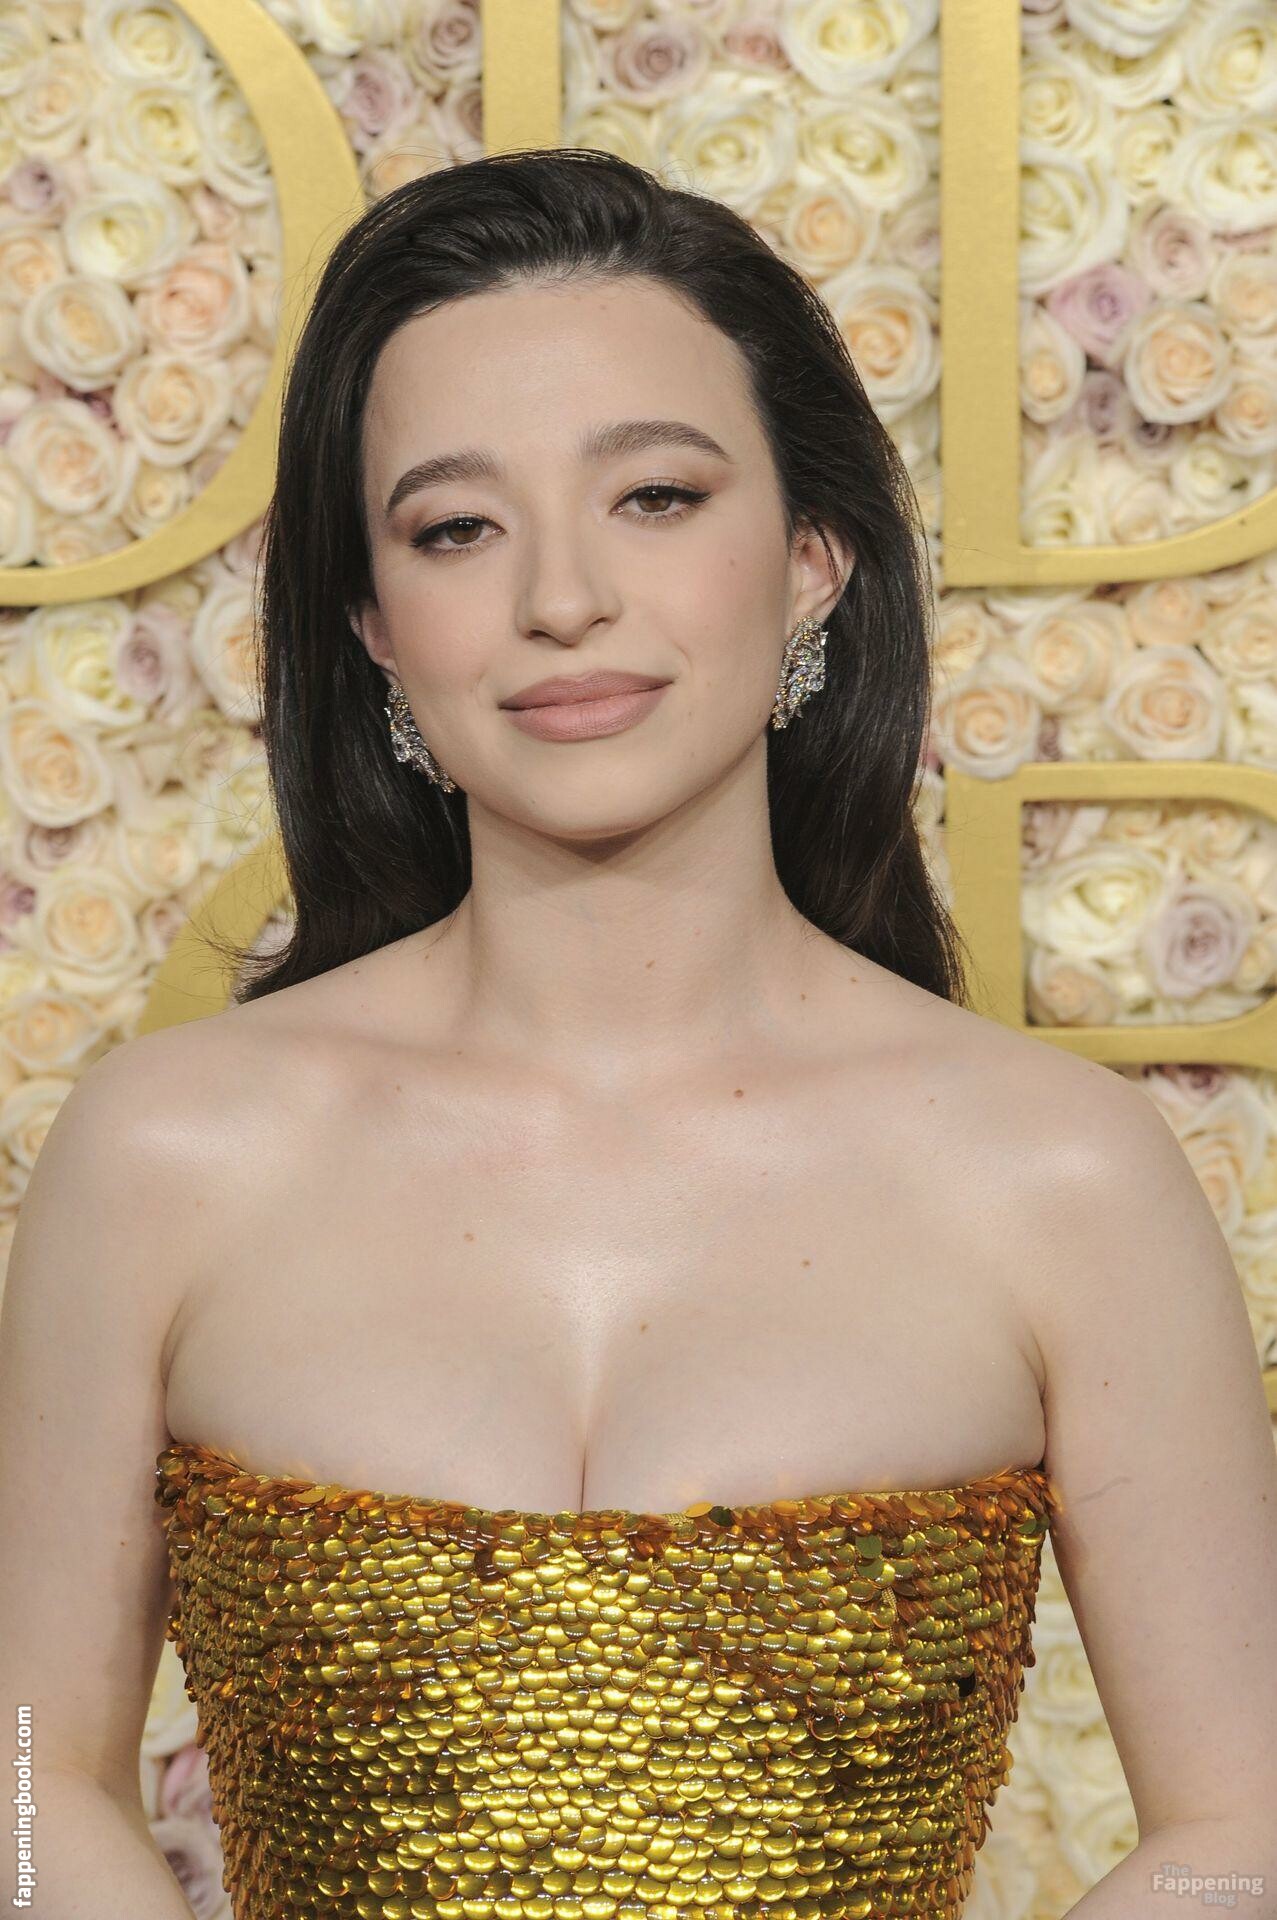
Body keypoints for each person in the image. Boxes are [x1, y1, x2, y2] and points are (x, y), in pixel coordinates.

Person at [1, 148, 1274, 1919]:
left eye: (655, 497)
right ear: (374, 628)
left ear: (812, 560)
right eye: (456, 528)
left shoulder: (1056, 1174)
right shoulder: (168, 1152)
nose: (561, 599)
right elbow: (25, 1781)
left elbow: (1241, 1828)